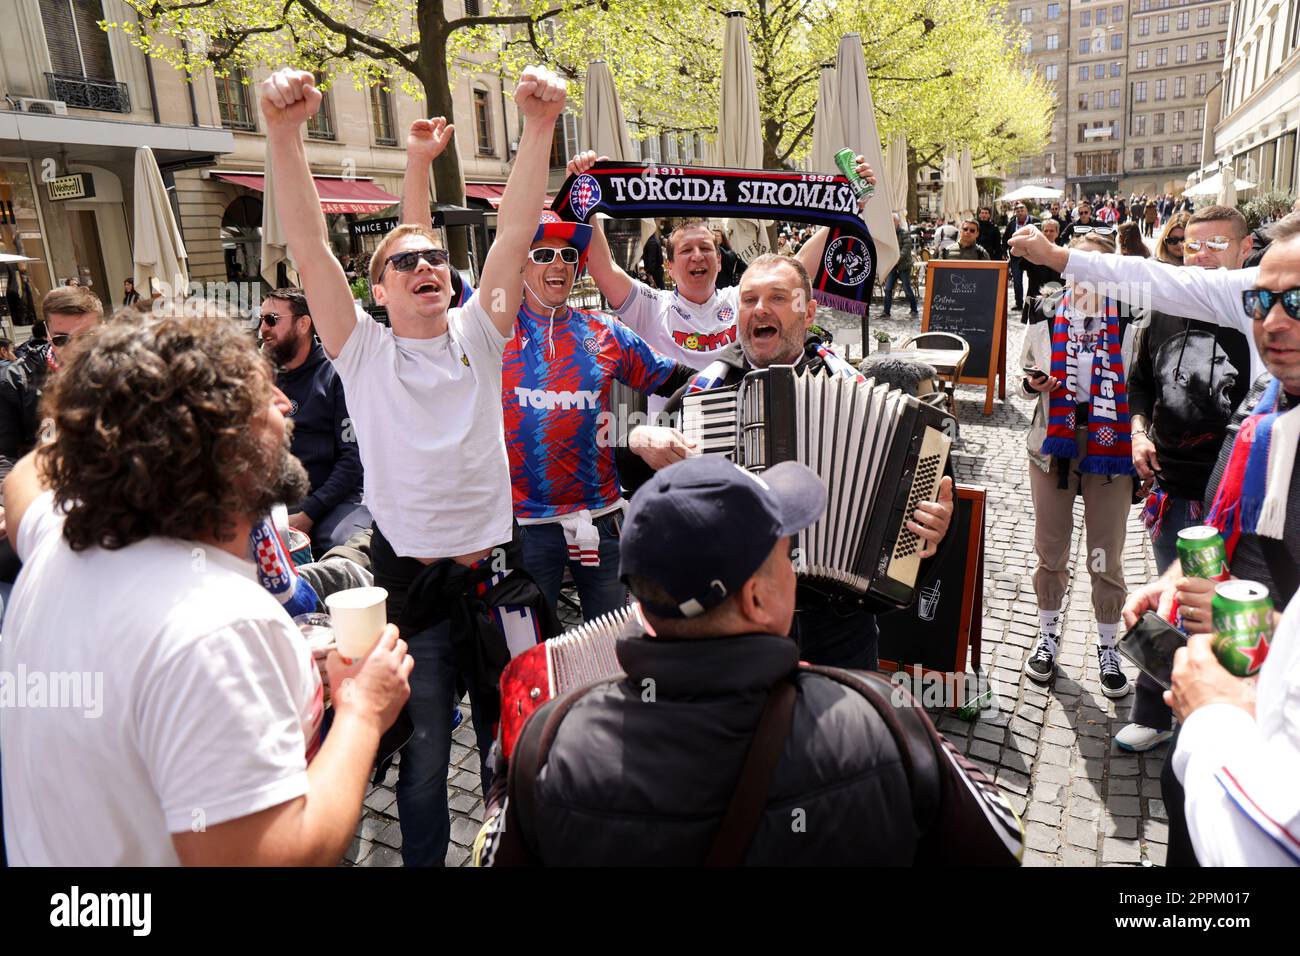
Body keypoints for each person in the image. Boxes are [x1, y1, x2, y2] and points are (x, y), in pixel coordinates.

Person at [264, 64, 567, 867]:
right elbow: (307, 241)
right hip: (416, 594)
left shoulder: (480, 334)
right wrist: (285, 136)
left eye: (435, 254)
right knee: (426, 768)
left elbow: (513, 233)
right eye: (406, 260)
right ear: (377, 289)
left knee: (525, 751)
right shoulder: (361, 352)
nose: (427, 263)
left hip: (502, 583)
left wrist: (538, 130)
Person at [0, 305, 412, 865]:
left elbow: (29, 476)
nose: (286, 405)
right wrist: (363, 709)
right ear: (218, 441)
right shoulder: (217, 626)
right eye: (262, 399)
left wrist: (109, 415)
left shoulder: (61, 535)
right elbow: (275, 855)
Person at [474, 455, 1024, 866]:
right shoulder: (884, 721)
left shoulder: (547, 745)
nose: (798, 568)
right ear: (758, 599)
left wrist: (507, 777)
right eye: (789, 555)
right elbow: (1006, 840)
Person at [621, 253, 954, 670]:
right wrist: (638, 438)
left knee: (837, 735)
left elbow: (926, 510)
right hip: (733, 622)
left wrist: (934, 529)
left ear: (808, 311)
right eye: (748, 299)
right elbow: (633, 477)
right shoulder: (704, 392)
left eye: (778, 297)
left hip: (838, 625)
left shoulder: (856, 390)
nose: (760, 309)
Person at [564, 150, 877, 415]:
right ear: (670, 267)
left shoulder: (743, 301)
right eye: (687, 250)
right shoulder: (649, 306)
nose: (698, 256)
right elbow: (603, 268)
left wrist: (847, 210)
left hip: (744, 436)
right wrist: (585, 194)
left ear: (719, 260)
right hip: (675, 442)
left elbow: (798, 265)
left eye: (706, 248)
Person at [1119, 205, 1261, 751]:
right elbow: (1138, 385)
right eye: (1190, 245)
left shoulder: (1254, 312)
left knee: (1227, 605)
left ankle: (1221, 720)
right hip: (1173, 483)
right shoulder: (1166, 306)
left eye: (1214, 245)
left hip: (1233, 493)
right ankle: (1155, 712)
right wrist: (1138, 433)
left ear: (1245, 249)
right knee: (1171, 598)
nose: (1198, 255)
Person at [1018, 230, 1138, 698]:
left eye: (1096, 266)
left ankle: (1108, 647)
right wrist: (1035, 385)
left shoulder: (1132, 317)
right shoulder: (1047, 310)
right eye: (1077, 264)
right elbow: (1024, 376)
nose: (1084, 274)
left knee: (1105, 553)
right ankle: (1047, 637)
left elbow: (1141, 382)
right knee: (1051, 549)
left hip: (1111, 449)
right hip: (1052, 444)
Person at [259, 287, 370, 552]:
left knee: (337, 546)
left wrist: (309, 512)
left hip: (338, 500)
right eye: (261, 319)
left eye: (272, 319)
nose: (263, 328)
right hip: (281, 501)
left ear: (303, 323)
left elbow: (353, 459)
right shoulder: (263, 377)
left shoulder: (337, 376)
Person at [0, 287, 102, 484]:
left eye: (85, 338)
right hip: (44, 489)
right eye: (62, 339)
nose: (74, 348)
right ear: (47, 334)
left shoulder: (122, 372)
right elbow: (3, 454)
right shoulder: (14, 382)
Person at [1023, 218, 1064, 322]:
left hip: (1056, 300)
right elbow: (1021, 265)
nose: (1048, 233)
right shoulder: (1032, 252)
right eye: (1045, 231)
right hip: (1036, 298)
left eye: (1051, 231)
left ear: (1057, 233)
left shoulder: (1063, 253)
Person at [882, 212, 919, 319]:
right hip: (893, 267)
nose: (890, 223)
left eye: (892, 221)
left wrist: (895, 259)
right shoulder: (889, 234)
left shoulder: (905, 233)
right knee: (888, 289)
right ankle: (886, 312)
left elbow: (905, 250)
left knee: (907, 289)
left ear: (897, 222)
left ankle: (914, 309)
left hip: (903, 267)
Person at [1002, 202, 1037, 312]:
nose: (1020, 212)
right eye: (1018, 210)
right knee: (1017, 281)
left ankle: (1032, 304)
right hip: (1016, 257)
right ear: (1015, 212)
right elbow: (1005, 239)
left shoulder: (1034, 222)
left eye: (1022, 210)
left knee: (1033, 280)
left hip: (1031, 256)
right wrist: (1004, 251)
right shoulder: (1011, 224)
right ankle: (1019, 304)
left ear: (1026, 211)